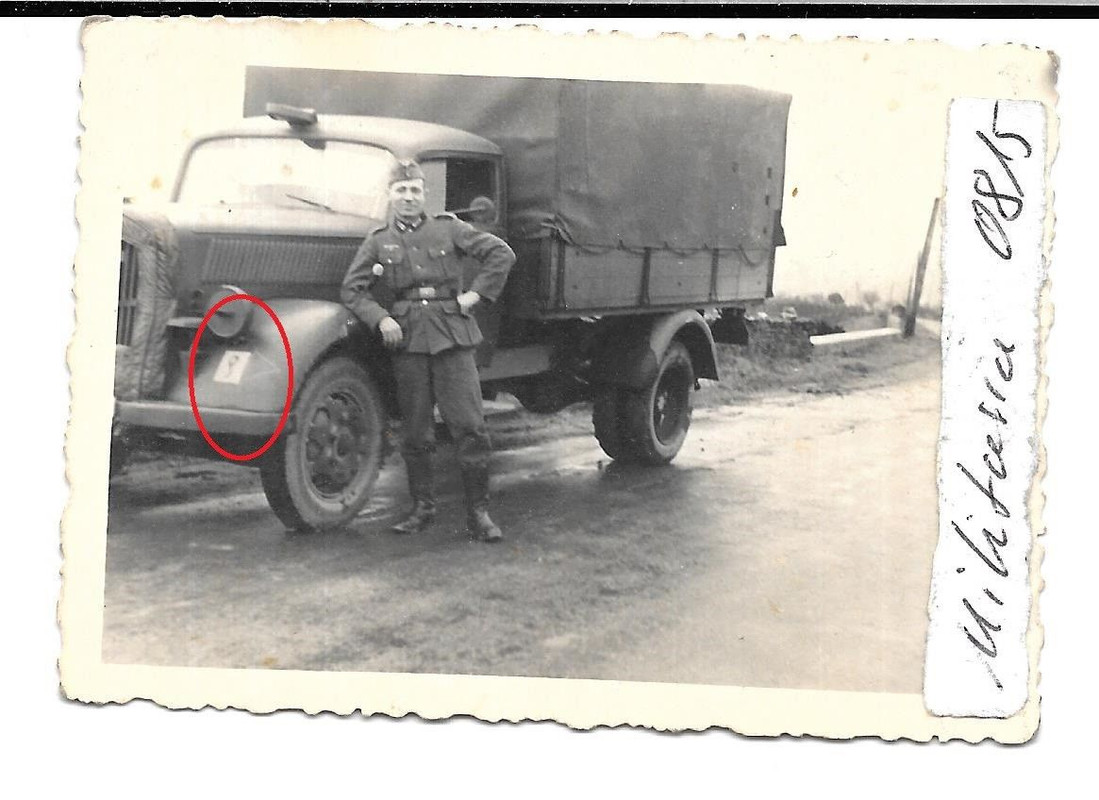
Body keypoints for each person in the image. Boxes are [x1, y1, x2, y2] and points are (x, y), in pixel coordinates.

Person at [341, 160, 516, 542]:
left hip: (452, 333)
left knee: (469, 426)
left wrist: (475, 295)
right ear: (390, 195)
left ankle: (479, 513)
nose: (408, 198)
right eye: (401, 191)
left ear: (424, 195)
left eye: (415, 191)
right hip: (407, 339)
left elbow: (501, 254)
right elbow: (352, 290)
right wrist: (381, 319)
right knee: (416, 431)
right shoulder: (378, 240)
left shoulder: (448, 228)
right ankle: (422, 508)